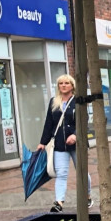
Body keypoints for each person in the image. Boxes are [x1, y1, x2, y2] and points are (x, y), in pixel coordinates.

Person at [37, 74, 92, 212]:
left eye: (66, 83)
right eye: (61, 83)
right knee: (61, 173)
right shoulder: (53, 102)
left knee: (82, 171)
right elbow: (49, 124)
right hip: (59, 144)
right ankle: (59, 202)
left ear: (72, 85)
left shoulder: (78, 101)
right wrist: (43, 142)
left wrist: (75, 135)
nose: (63, 85)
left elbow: (83, 121)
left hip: (76, 143)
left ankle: (87, 196)